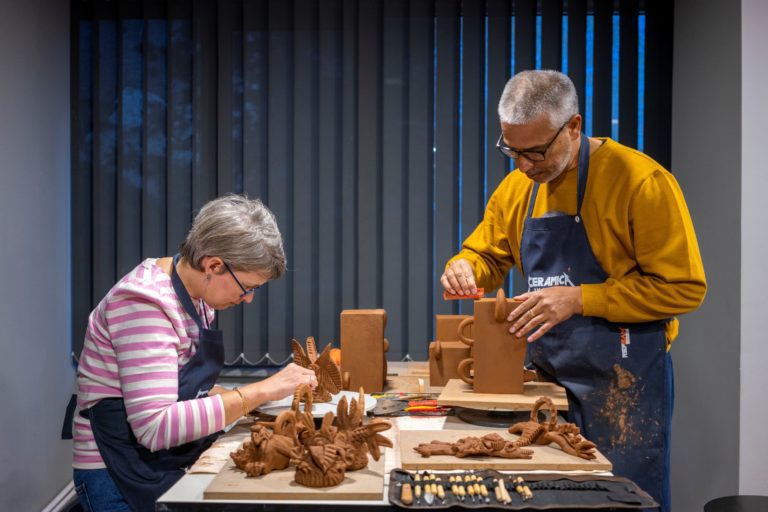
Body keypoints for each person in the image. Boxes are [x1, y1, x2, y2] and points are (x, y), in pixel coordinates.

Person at [441, 70, 706, 511]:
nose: (525, 166)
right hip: (548, 380)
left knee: (623, 500)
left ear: (574, 127)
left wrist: (581, 298)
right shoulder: (517, 189)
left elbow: (683, 288)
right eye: (513, 151)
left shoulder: (640, 182)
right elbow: (486, 257)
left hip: (624, 385)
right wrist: (464, 267)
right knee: (546, 497)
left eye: (536, 151)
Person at [68, 195, 317, 512]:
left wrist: (258, 402)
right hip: (118, 474)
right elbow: (155, 427)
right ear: (213, 265)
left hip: (159, 461)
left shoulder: (196, 297)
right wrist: (260, 390)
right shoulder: (144, 303)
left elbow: (184, 387)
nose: (249, 299)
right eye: (247, 287)